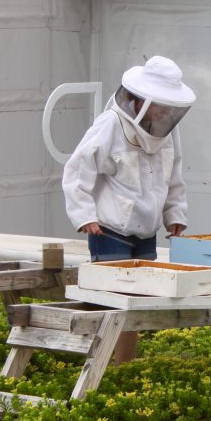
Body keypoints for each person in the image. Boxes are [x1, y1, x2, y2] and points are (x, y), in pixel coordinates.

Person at [63, 55, 196, 363]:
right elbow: (77, 169)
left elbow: (173, 173)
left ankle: (122, 366)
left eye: (168, 107)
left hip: (146, 230)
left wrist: (175, 214)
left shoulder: (168, 130)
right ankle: (99, 365)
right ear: (138, 101)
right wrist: (84, 216)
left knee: (135, 303)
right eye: (160, 106)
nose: (164, 113)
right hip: (109, 230)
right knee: (110, 302)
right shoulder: (110, 123)